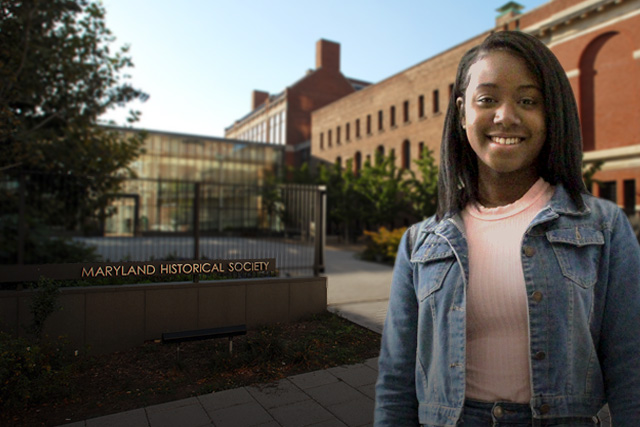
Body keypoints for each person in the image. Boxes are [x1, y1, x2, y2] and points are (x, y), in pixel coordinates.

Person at [374, 30, 640, 426]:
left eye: (528, 100)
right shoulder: (420, 243)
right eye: (488, 99)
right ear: (463, 112)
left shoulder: (604, 226)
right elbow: (396, 383)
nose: (506, 116)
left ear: (551, 114)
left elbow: (631, 368)